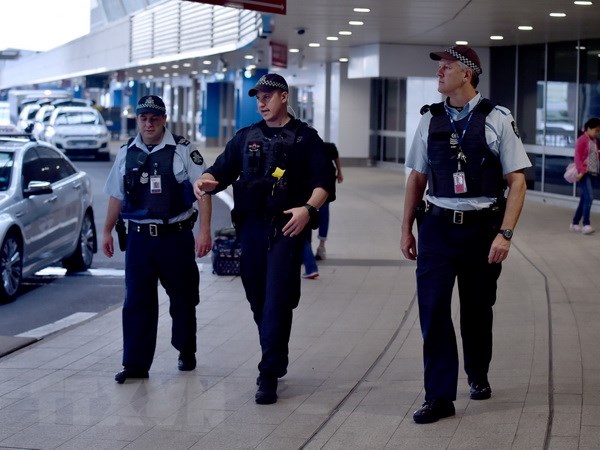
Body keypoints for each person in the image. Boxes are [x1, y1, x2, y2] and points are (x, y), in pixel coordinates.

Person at [400, 45, 531, 424]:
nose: (440, 73)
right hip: (438, 228)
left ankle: (477, 372)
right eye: (439, 67)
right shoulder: (430, 119)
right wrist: (406, 228)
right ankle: (439, 397)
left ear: (468, 74)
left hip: (482, 230)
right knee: (434, 312)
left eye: (447, 67)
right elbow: (417, 178)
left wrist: (505, 234)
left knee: (476, 309)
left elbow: (517, 181)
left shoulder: (497, 119)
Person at [193, 73, 335, 404]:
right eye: (258, 97)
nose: (261, 102)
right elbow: (221, 169)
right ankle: (275, 351)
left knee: (276, 297)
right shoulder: (246, 137)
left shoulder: (305, 139)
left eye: (268, 96)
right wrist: (207, 180)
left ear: (284, 97)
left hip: (287, 226)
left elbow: (324, 182)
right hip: (251, 227)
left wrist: (306, 210)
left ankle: (267, 372)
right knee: (257, 296)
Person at [102, 95, 212, 384]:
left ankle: (186, 349)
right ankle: (135, 365)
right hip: (139, 240)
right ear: (137, 119)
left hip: (175, 238)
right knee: (137, 302)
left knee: (183, 300)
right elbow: (116, 194)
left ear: (164, 119)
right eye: (143, 118)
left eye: (154, 118)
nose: (148, 123)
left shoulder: (184, 151)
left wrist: (204, 231)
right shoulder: (127, 152)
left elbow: (204, 193)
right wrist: (106, 230)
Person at [569, 117, 600, 235]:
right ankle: (586, 224)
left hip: (593, 172)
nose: (597, 133)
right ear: (589, 128)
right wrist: (581, 171)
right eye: (596, 130)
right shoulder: (582, 140)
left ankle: (574, 223)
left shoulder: (595, 141)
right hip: (584, 174)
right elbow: (577, 157)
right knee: (590, 197)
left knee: (584, 199)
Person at [315, 142, 344, 260]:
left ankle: (321, 246)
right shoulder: (327, 147)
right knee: (322, 213)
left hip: (324, 182)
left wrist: (339, 172)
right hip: (318, 181)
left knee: (323, 213)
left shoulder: (327, 147)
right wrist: (339, 172)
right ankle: (319, 247)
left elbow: (335, 157)